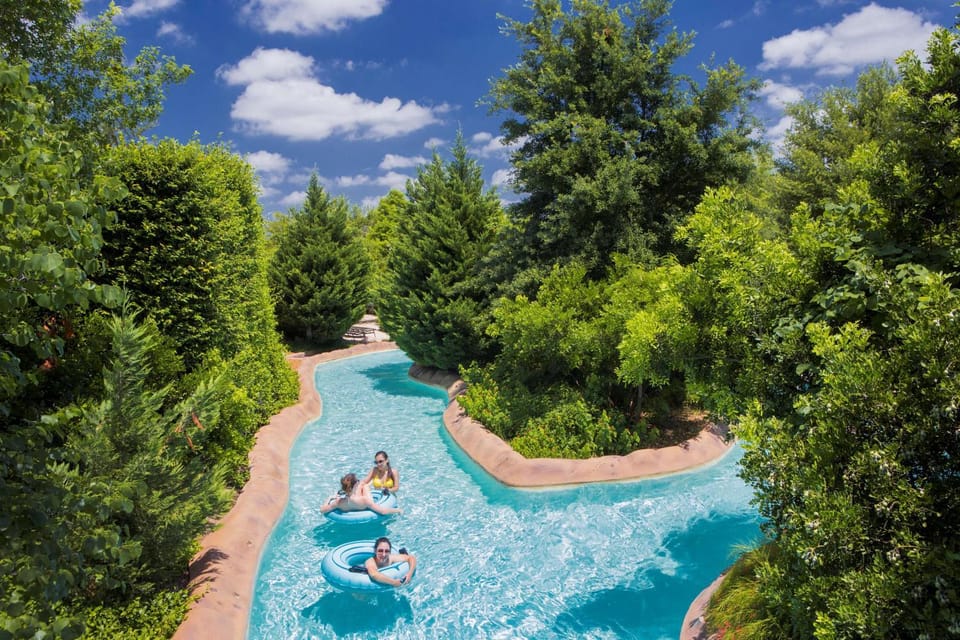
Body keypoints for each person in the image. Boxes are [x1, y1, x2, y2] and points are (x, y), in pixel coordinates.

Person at [319, 473, 401, 515]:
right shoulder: (364, 500)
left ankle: (367, 483)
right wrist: (398, 510)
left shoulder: (339, 502)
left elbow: (322, 510)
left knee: (361, 485)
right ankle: (371, 482)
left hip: (350, 501)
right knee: (364, 485)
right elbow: (383, 512)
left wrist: (329, 498)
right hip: (361, 502)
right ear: (355, 484)